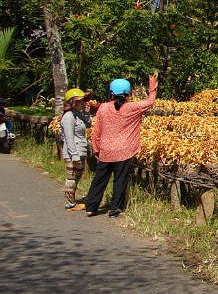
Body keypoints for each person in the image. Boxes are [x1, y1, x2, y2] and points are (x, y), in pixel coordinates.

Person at [84, 72, 158, 218]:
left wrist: (96, 148)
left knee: (99, 179)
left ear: (111, 93)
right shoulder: (132, 108)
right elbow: (150, 102)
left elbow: (97, 131)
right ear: (128, 94)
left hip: (106, 150)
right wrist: (152, 84)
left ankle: (91, 208)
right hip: (124, 151)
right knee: (120, 181)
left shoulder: (103, 108)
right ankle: (114, 210)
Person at [60, 88, 92, 211]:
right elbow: (69, 138)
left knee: (76, 177)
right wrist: (74, 155)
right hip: (73, 152)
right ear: (71, 101)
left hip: (80, 149)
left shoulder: (77, 114)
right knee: (71, 177)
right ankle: (70, 204)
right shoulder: (68, 117)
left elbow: (88, 124)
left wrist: (86, 112)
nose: (81, 103)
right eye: (78, 101)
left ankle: (72, 200)